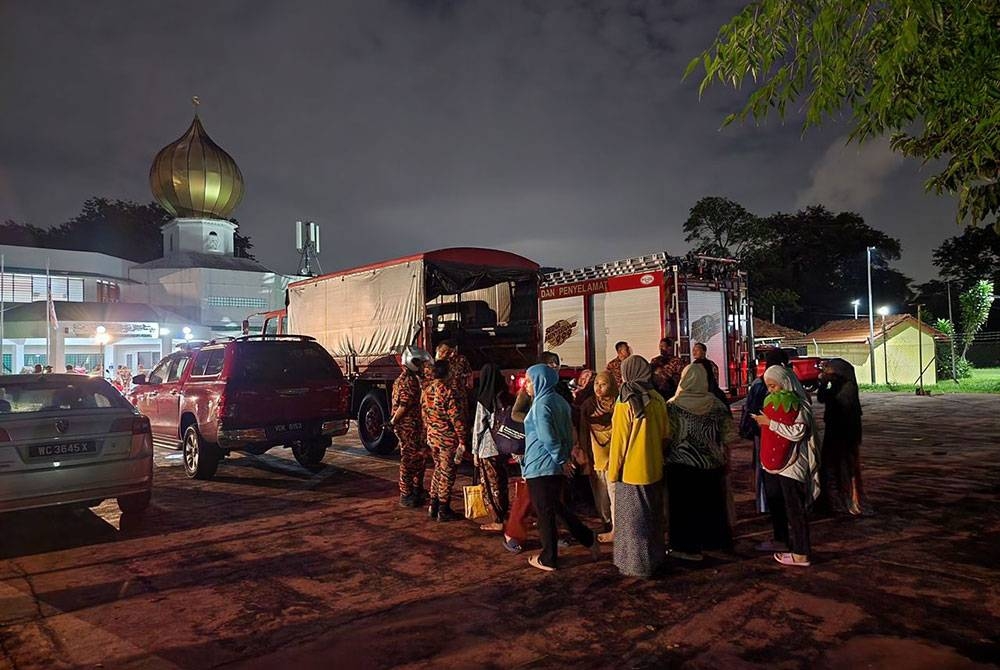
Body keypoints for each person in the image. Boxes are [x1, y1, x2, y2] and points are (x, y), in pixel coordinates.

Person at [522, 363, 600, 571]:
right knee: (554, 506)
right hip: (554, 464)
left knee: (545, 511)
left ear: (540, 381)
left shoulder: (541, 404)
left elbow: (547, 436)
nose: (526, 386)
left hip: (541, 464)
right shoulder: (559, 401)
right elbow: (567, 431)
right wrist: (564, 458)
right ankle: (587, 538)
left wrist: (560, 458)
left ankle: (549, 557)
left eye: (529, 381)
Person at [665, 363, 736, 561]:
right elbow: (728, 437)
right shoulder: (716, 405)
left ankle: (686, 547)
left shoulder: (673, 406)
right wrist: (726, 461)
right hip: (711, 465)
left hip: (681, 466)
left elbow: (667, 436)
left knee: (682, 509)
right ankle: (713, 542)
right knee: (711, 506)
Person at [752, 365, 821, 567]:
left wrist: (769, 423)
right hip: (772, 464)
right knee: (777, 505)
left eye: (774, 386)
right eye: (769, 387)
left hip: (792, 465)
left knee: (795, 510)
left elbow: (797, 432)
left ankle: (801, 552)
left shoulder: (800, 404)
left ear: (786, 382)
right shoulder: (771, 403)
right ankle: (781, 540)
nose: (772, 391)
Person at [608, 356, 669, 577]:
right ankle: (655, 560)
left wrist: (613, 471)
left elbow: (619, 442)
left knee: (633, 524)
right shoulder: (657, 398)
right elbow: (665, 435)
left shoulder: (625, 401)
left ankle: (636, 566)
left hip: (632, 472)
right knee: (652, 520)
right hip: (654, 469)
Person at [740, 348, 791, 514]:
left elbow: (750, 408)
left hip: (761, 430)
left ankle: (764, 504)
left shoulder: (757, 383)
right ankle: (775, 502)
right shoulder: (779, 383)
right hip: (772, 430)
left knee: (764, 466)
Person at [816, 358, 866, 516]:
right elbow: (822, 398)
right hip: (834, 431)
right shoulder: (837, 386)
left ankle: (846, 502)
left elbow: (836, 403)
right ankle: (831, 502)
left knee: (844, 469)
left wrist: (827, 383)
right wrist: (824, 384)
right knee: (829, 467)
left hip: (845, 434)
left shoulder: (848, 389)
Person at [421, 359, 469, 522]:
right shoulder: (448, 391)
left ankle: (433, 505)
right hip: (447, 439)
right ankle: (443, 508)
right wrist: (463, 439)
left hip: (432, 437)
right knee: (447, 473)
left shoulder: (426, 390)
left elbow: (424, 415)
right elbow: (456, 418)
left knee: (438, 470)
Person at [472, 362, 513, 531]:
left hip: (487, 448)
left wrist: (474, 451)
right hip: (504, 445)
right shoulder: (507, 397)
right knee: (502, 481)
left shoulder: (484, 400)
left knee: (490, 485)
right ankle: (504, 514)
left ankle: (497, 520)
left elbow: (478, 428)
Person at [578, 371, 618, 539]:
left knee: (615, 493)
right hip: (596, 456)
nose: (599, 388)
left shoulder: (620, 404)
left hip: (616, 457)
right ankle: (606, 522)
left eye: (603, 384)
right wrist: (583, 453)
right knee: (600, 495)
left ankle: (616, 527)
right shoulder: (589, 405)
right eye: (596, 384)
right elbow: (583, 432)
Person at [391, 346, 432, 508]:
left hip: (415, 425)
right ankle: (406, 493)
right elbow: (404, 406)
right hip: (408, 426)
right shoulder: (408, 381)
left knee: (419, 457)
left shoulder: (411, 378)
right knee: (409, 459)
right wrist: (393, 421)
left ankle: (416, 489)